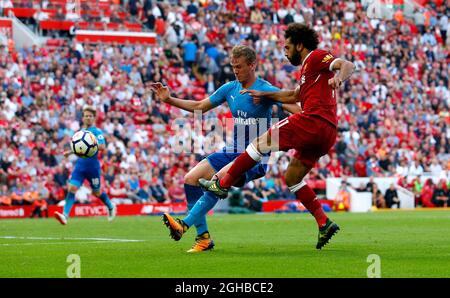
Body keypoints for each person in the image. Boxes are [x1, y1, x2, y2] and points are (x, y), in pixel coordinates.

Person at [199, 23, 355, 249]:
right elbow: (293, 95)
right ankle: (324, 223)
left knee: (259, 143)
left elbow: (347, 64)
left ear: (300, 45)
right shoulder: (307, 72)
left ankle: (222, 184)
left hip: (313, 120)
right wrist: (263, 93)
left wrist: (340, 76)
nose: (285, 51)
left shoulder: (316, 57)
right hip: (328, 132)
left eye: (288, 47)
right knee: (292, 178)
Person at [151, 45, 301, 252]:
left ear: (252, 65)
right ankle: (203, 238)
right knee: (191, 179)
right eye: (233, 66)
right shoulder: (230, 88)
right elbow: (199, 107)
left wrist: (282, 132)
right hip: (232, 150)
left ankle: (183, 225)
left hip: (255, 156)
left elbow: (298, 110)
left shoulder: (266, 89)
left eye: (239, 67)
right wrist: (169, 99)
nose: (235, 70)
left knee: (218, 182)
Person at [54, 105, 116, 225]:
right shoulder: (80, 133)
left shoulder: (96, 132)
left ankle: (110, 206)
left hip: (93, 167)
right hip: (80, 166)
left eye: (90, 116)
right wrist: (70, 151)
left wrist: (92, 142)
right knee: (71, 188)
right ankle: (65, 216)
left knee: (96, 193)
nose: (88, 118)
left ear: (94, 118)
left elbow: (103, 147)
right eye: (86, 116)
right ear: (83, 118)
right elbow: (81, 147)